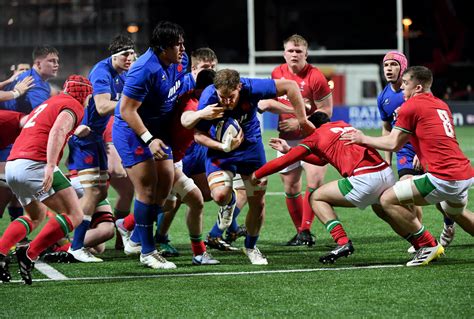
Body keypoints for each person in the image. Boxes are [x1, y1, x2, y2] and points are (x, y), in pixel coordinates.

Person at [341, 66, 474, 266]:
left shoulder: (411, 106)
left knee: (387, 199)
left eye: (405, 83)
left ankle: (427, 245)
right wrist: (421, 153)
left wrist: (362, 138)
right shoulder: (440, 104)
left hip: (444, 177)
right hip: (464, 173)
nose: (401, 88)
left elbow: (393, 143)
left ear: (418, 87)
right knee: (456, 213)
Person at [194, 68, 312, 265]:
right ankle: (230, 205)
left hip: (250, 149)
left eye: (231, 97)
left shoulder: (252, 87)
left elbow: (290, 86)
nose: (227, 102)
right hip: (221, 150)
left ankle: (250, 247)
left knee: (258, 202)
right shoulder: (209, 98)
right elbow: (198, 135)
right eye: (223, 97)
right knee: (220, 196)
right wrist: (222, 146)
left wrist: (301, 119)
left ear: (239, 87)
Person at [251, 112, 398, 263]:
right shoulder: (343, 125)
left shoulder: (316, 136)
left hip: (365, 179)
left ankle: (342, 242)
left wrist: (257, 174)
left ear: (313, 125)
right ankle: (421, 243)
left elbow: (284, 162)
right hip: (386, 174)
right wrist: (289, 149)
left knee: (316, 197)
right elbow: (321, 161)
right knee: (386, 211)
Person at [0, 75, 92, 284]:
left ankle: (1, 253)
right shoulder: (73, 105)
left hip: (14, 165)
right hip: (36, 164)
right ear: (83, 94)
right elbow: (58, 130)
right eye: (88, 96)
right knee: (75, 214)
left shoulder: (50, 102)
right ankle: (29, 254)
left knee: (36, 214)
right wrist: (51, 165)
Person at [112, 21, 188, 270]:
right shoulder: (143, 69)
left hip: (158, 132)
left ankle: (131, 230)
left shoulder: (179, 61)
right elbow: (126, 110)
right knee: (146, 188)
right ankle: (148, 251)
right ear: (164, 48)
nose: (183, 48)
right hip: (134, 132)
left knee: (165, 187)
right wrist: (148, 138)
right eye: (178, 44)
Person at [66, 34, 136, 262]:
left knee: (102, 191)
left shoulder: (122, 75)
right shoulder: (101, 72)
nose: (130, 58)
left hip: (95, 139)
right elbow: (103, 105)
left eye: (132, 53)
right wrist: (130, 107)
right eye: (125, 54)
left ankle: (72, 235)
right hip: (83, 138)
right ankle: (74, 245)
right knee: (94, 192)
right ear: (114, 55)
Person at [377, 51, 455, 253]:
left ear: (403, 68)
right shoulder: (383, 96)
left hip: (424, 147)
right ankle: (422, 237)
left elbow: (429, 122)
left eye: (394, 64)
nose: (389, 69)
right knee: (405, 191)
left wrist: (422, 153)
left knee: (440, 199)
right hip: (403, 150)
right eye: (386, 65)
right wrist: (387, 160)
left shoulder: (415, 92)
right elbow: (386, 127)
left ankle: (448, 222)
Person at [259, 34, 333, 246]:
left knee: (314, 182)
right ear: (284, 53)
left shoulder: (316, 77)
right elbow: (271, 103)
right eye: (290, 51)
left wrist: (301, 122)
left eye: (298, 51)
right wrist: (295, 113)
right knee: (291, 187)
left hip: (313, 138)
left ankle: (305, 231)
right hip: (287, 140)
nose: (294, 54)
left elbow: (326, 111)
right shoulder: (277, 73)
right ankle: (301, 232)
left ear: (306, 54)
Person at [0, 47, 59, 230]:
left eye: (57, 61)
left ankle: (20, 240)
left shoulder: (39, 83)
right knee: (8, 190)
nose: (56, 65)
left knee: (17, 192)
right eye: (51, 61)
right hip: (6, 139)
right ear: (38, 63)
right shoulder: (34, 83)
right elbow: (41, 117)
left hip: (14, 139)